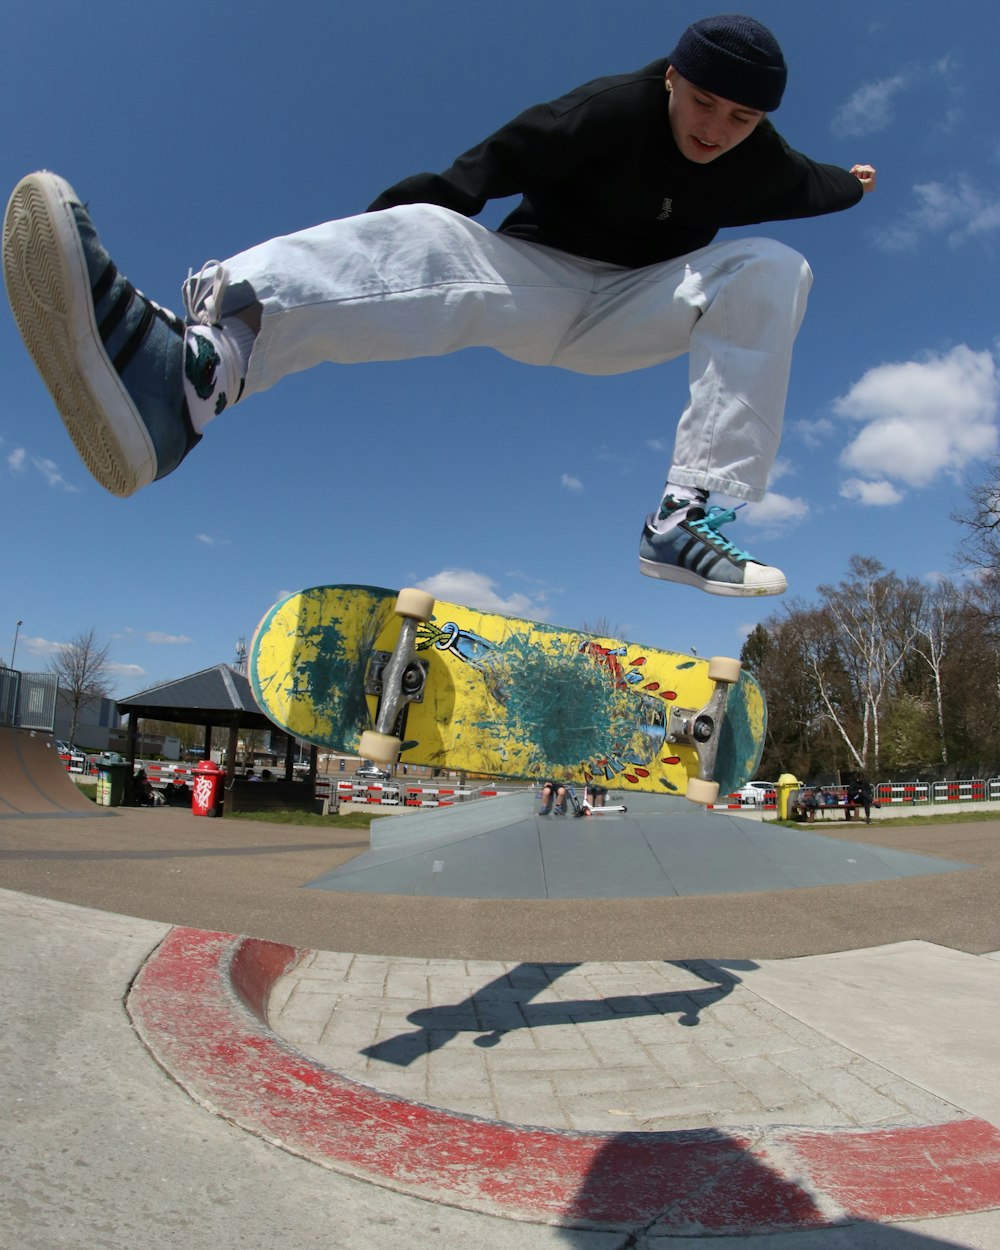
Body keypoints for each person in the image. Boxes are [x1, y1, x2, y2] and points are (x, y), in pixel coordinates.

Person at [2, 14, 875, 597]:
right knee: (435, 231)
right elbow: (490, 164)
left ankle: (689, 516)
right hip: (535, 278)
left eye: (742, 119)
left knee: (772, 265)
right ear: (672, 79)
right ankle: (196, 373)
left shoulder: (760, 160)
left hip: (645, 307)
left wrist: (857, 183)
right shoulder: (605, 111)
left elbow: (816, 184)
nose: (717, 131)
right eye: (705, 104)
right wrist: (384, 234)